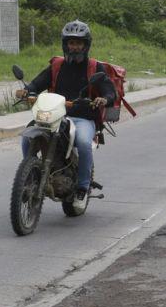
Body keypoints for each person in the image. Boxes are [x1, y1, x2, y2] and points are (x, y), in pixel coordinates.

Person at [15, 20, 117, 202]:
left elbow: (110, 91)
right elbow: (38, 83)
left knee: (84, 143)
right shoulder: (57, 66)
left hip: (82, 117)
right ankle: (30, 174)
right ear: (65, 44)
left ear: (86, 45)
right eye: (71, 43)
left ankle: (83, 186)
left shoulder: (94, 67)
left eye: (79, 43)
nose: (75, 47)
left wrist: (104, 99)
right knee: (26, 138)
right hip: (55, 114)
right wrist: (27, 90)